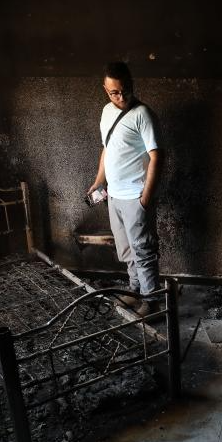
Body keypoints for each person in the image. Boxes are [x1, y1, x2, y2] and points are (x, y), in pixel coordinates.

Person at [87, 61, 164, 317]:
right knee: (127, 250)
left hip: (135, 196)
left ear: (132, 84)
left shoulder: (143, 114)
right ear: (105, 90)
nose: (121, 97)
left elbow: (157, 156)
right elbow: (107, 149)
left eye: (125, 90)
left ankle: (151, 301)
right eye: (114, 92)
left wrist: (144, 198)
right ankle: (134, 291)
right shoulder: (107, 112)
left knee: (143, 250)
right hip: (114, 195)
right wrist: (99, 181)